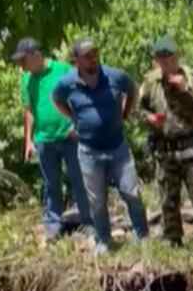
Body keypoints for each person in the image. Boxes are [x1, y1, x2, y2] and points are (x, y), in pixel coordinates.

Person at [51, 37, 149, 255]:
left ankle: (142, 235)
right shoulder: (67, 83)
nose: (93, 58)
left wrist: (125, 112)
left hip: (117, 147)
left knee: (131, 192)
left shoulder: (114, 76)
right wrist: (74, 118)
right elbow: (56, 99)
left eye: (95, 53)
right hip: (89, 151)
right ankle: (104, 240)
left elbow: (131, 88)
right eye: (87, 56)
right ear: (76, 60)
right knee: (96, 201)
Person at [138, 35, 193, 248]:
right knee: (168, 198)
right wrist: (149, 118)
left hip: (192, 148)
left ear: (177, 56)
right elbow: (139, 109)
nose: (166, 63)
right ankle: (173, 239)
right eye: (161, 59)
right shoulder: (150, 82)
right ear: (156, 60)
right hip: (166, 149)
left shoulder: (192, 77)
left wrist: (186, 89)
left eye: (169, 58)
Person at [10, 37, 93, 241]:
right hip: (44, 140)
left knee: (78, 179)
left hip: (69, 136)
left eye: (23, 60)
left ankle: (88, 222)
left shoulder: (63, 70)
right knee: (51, 184)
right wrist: (28, 141)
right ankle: (53, 226)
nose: (21, 65)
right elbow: (28, 111)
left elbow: (81, 97)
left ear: (36, 55)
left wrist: (77, 125)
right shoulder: (26, 79)